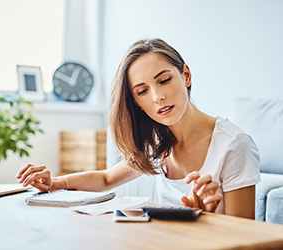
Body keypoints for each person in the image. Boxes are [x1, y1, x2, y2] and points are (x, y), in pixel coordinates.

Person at [16, 38, 260, 218]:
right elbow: (106, 178)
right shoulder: (158, 141)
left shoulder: (233, 144)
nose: (158, 97)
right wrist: (55, 183)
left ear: (185, 75)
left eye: (164, 80)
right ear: (137, 103)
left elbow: (247, 237)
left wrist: (207, 216)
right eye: (143, 91)